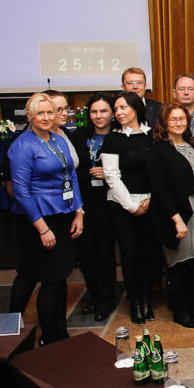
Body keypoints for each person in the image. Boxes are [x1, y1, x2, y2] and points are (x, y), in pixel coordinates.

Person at [9, 93, 84, 345]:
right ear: (29, 115)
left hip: (63, 216)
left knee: (59, 277)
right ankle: (49, 339)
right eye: (40, 113)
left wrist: (79, 212)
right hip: (38, 220)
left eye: (49, 112)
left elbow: (71, 176)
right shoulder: (22, 146)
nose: (46, 117)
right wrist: (42, 229)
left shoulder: (58, 139)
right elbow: (21, 191)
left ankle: (59, 334)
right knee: (47, 279)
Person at [147, 103, 194, 328]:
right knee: (179, 263)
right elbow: (159, 189)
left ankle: (192, 304)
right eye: (173, 119)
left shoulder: (193, 145)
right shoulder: (157, 151)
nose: (179, 123)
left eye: (182, 119)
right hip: (177, 213)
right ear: (164, 123)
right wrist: (177, 219)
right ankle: (180, 310)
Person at [100, 91, 155, 325]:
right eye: (116, 109)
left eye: (123, 107)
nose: (119, 112)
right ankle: (135, 302)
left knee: (148, 255)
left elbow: (159, 171)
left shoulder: (152, 134)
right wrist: (132, 207)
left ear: (136, 108)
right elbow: (112, 177)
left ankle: (146, 299)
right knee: (130, 255)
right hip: (122, 204)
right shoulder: (113, 139)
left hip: (150, 203)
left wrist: (150, 201)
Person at [70, 93, 117, 322]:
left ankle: (106, 300)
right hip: (83, 201)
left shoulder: (118, 136)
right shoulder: (79, 136)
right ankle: (94, 295)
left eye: (103, 111)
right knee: (85, 253)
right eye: (94, 111)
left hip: (108, 201)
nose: (99, 116)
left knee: (105, 252)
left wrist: (108, 173)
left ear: (112, 113)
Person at [45, 91, 79, 169]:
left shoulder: (66, 132)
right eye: (58, 109)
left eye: (66, 108)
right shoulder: (34, 138)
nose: (65, 113)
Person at [172, 74, 194, 139]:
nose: (186, 92)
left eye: (190, 89)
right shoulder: (165, 120)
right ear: (174, 93)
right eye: (181, 89)